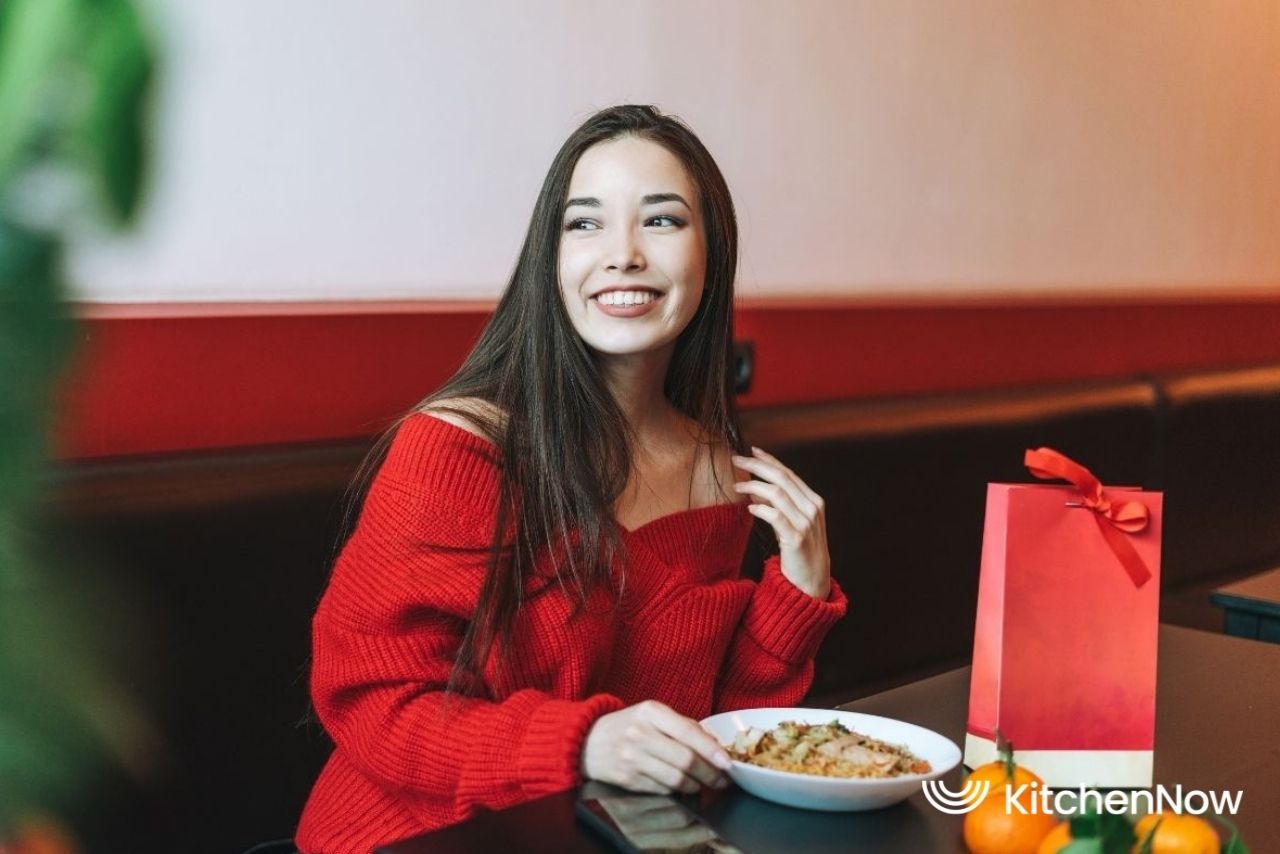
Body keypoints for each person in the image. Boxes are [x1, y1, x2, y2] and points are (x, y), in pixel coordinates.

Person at [295, 105, 847, 854]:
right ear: (549, 259)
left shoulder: (719, 473)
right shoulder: (458, 448)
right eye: (584, 225)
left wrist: (798, 591)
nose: (621, 255)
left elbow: (715, 737)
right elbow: (372, 700)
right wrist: (579, 743)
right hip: (416, 836)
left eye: (661, 221)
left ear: (710, 253)